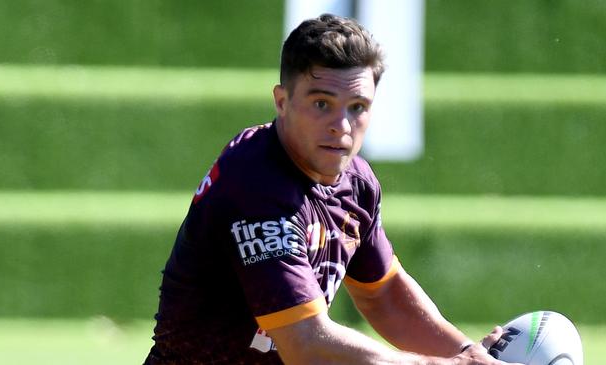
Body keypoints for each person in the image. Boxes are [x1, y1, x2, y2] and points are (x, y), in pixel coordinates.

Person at [144, 14, 521, 365]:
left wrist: (468, 354)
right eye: (322, 103)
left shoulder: (356, 184)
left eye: (357, 107)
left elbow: (384, 294)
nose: (341, 125)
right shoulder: (256, 184)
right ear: (282, 101)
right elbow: (305, 343)